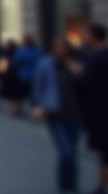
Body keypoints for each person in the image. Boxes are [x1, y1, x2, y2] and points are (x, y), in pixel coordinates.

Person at [69, 24, 108, 194]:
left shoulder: (95, 58)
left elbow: (85, 83)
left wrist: (76, 73)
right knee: (106, 153)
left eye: (85, 35)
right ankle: (102, 186)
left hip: (98, 110)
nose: (83, 38)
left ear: (93, 36)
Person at [33, 37, 81, 194]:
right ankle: (63, 185)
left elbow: (85, 85)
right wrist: (38, 105)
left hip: (75, 114)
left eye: (63, 47)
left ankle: (71, 184)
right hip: (55, 113)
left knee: (72, 152)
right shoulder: (45, 64)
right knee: (66, 151)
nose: (61, 50)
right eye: (58, 47)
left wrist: (79, 72)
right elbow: (38, 86)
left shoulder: (74, 64)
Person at [12, 35, 44, 115]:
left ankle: (17, 111)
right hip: (35, 77)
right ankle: (34, 113)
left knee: (19, 96)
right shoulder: (38, 51)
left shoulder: (21, 52)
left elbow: (15, 63)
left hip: (23, 77)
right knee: (33, 96)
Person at [0, 39, 23, 116]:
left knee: (11, 96)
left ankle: (11, 111)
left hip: (9, 77)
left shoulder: (6, 55)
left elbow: (1, 67)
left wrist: (0, 74)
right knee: (15, 96)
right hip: (14, 77)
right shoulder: (16, 53)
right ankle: (14, 110)